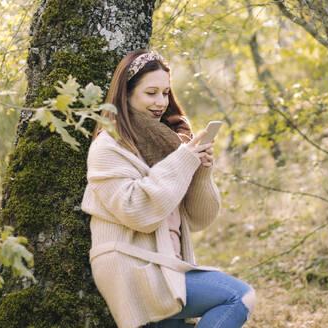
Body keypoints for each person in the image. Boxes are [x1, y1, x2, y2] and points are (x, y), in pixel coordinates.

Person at [81, 49, 256, 328]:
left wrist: (200, 170)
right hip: (133, 266)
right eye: (151, 93)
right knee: (239, 296)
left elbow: (200, 218)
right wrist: (184, 160)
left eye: (165, 93)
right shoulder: (109, 145)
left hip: (167, 263)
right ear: (125, 94)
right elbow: (137, 210)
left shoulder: (168, 143)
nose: (161, 102)